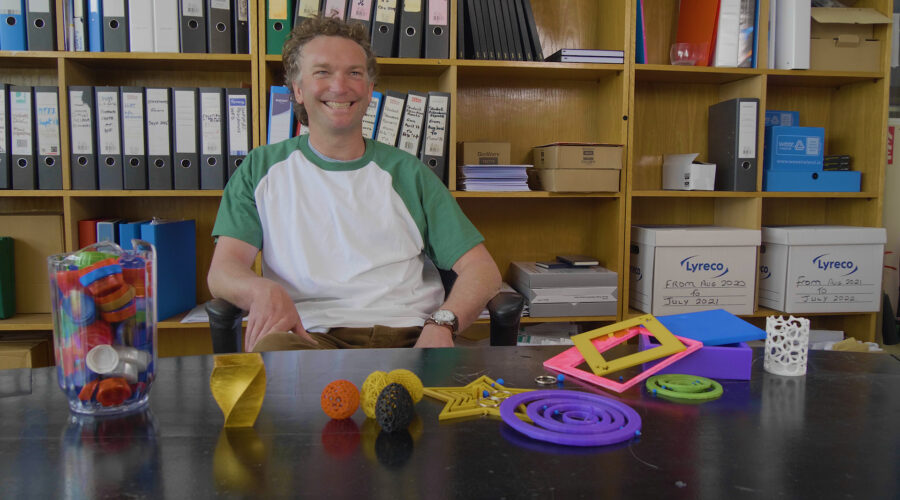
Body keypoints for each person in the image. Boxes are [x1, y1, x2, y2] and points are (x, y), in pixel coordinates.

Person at [207, 16, 501, 352]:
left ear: (370, 90)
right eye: (323, 72)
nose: (340, 85)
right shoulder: (260, 169)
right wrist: (262, 290)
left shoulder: (408, 173)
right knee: (274, 359)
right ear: (298, 90)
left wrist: (443, 324)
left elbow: (482, 269)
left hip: (413, 336)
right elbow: (223, 270)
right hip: (311, 338)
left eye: (354, 73)